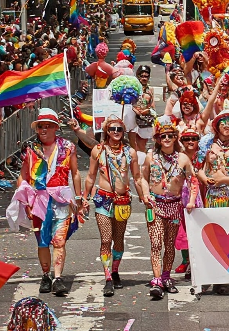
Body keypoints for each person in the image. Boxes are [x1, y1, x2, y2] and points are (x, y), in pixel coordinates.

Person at [8, 108, 82, 297]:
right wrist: (24, 199)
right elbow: (23, 175)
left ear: (56, 128)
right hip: (39, 201)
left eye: (48, 126)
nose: (43, 130)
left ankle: (58, 278)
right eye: (40, 126)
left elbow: (75, 173)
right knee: (42, 242)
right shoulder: (32, 149)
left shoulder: (67, 147)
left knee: (59, 241)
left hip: (61, 200)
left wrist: (79, 197)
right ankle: (46, 276)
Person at [81, 116, 148, 296]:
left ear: (123, 132)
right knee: (106, 239)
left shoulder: (130, 152)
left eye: (119, 129)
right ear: (107, 132)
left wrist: (143, 196)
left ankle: (116, 270)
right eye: (113, 129)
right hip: (103, 200)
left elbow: (137, 177)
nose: (116, 132)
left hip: (122, 201)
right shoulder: (98, 150)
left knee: (118, 239)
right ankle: (108, 277)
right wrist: (84, 198)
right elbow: (90, 176)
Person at [141, 118, 198, 300]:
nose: (166, 139)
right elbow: (142, 177)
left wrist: (192, 200)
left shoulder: (183, 158)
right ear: (158, 139)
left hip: (174, 205)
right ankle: (157, 279)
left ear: (175, 138)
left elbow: (193, 180)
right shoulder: (151, 156)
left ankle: (166, 276)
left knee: (169, 243)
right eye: (163, 136)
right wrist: (145, 194)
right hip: (155, 205)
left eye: (170, 136)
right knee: (156, 243)